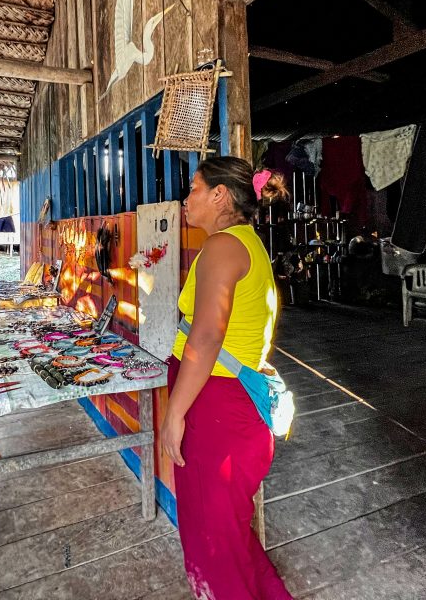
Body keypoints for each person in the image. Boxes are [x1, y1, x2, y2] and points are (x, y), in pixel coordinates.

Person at [161, 156, 294, 599]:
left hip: (217, 411)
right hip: (228, 407)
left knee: (214, 546)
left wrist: (174, 415)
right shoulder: (245, 243)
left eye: (194, 189)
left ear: (219, 195)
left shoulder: (222, 247)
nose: (186, 199)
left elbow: (206, 337)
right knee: (228, 538)